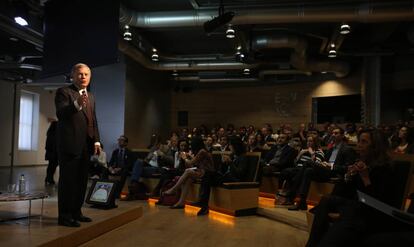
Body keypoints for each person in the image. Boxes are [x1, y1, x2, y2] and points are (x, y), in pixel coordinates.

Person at [306, 130, 398, 247]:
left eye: (364, 142)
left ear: (376, 146)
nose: (358, 145)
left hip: (370, 212)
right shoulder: (362, 163)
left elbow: (375, 201)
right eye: (359, 141)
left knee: (341, 224)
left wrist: (365, 178)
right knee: (326, 200)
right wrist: (348, 177)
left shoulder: (385, 168)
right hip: (356, 205)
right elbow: (349, 192)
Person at [55, 63, 100, 227]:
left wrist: (96, 140)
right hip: (69, 145)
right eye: (80, 74)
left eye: (87, 74)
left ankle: (76, 212)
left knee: (81, 181)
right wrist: (76, 104)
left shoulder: (92, 96)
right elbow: (60, 114)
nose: (83, 77)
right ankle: (64, 216)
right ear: (73, 75)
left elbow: (93, 120)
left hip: (86, 146)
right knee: (68, 182)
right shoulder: (64, 92)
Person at [163, 136, 214, 214]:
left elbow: (190, 163)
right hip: (202, 171)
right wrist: (190, 157)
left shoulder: (202, 151)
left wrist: (184, 158)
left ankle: (174, 189)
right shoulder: (200, 151)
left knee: (187, 171)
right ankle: (181, 202)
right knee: (188, 179)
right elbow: (194, 164)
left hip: (207, 173)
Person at [45, 119, 58, 185]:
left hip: (50, 152)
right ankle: (49, 179)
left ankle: (48, 178)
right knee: (52, 167)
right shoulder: (54, 134)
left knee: (51, 167)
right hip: (53, 153)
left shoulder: (49, 133)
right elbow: (54, 145)